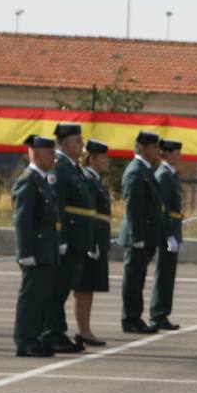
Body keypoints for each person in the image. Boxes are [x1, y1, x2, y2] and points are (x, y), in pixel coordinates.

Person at [11, 134, 62, 358]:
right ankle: (25, 340)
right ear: (36, 153)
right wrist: (25, 252)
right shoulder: (28, 180)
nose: (54, 157)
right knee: (30, 298)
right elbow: (23, 219)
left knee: (41, 297)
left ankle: (36, 337)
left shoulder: (42, 180)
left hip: (46, 249)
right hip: (36, 251)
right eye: (50, 152)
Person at [46, 122, 92, 354]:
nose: (82, 144)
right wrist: (61, 238)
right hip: (68, 239)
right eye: (77, 141)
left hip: (78, 239)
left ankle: (57, 331)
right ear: (64, 144)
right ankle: (51, 332)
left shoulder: (73, 168)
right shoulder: (60, 169)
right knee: (57, 289)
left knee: (63, 287)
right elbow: (58, 206)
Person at [119, 129, 166, 334]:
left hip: (146, 235)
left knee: (138, 278)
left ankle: (135, 317)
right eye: (154, 146)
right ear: (143, 148)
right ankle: (130, 319)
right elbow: (133, 208)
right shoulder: (136, 172)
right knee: (133, 279)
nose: (158, 150)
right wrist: (137, 237)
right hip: (137, 236)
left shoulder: (145, 170)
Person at [74, 138, 114, 346]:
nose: (107, 161)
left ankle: (86, 329)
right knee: (83, 287)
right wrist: (92, 242)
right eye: (103, 157)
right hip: (91, 241)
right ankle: (83, 330)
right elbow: (89, 214)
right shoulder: (87, 180)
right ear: (92, 159)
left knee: (89, 287)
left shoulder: (94, 179)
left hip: (97, 239)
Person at [149, 138, 185, 331]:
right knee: (163, 274)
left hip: (173, 229)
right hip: (166, 232)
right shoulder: (163, 175)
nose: (180, 156)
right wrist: (169, 234)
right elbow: (162, 209)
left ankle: (163, 312)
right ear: (167, 154)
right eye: (176, 153)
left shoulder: (171, 175)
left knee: (168, 275)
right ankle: (157, 314)